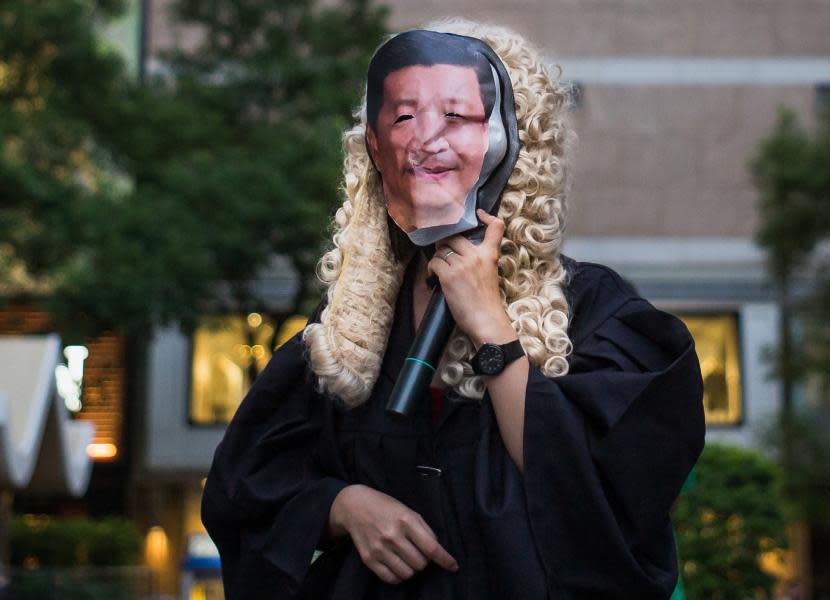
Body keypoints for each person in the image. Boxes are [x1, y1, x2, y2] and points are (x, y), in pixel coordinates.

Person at [201, 18, 706, 600]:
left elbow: (602, 495)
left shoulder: (598, 314)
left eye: (458, 116)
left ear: (518, 139)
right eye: (404, 116)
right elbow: (244, 483)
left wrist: (490, 323)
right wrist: (342, 505)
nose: (425, 140)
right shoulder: (349, 327)